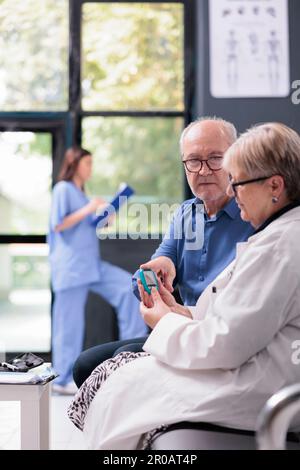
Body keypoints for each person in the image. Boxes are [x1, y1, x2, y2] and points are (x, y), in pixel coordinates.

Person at [68, 122, 300, 449]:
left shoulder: (269, 237)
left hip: (225, 354)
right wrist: (169, 296)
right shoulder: (190, 216)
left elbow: (228, 337)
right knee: (109, 373)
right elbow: (157, 277)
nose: (231, 188)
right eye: (193, 161)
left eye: (220, 164)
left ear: (274, 185)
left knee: (122, 377)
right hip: (199, 331)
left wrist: (169, 320)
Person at [73, 117, 253, 387]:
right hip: (180, 327)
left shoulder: (252, 215)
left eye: (215, 158)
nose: (203, 171)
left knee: (121, 361)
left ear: (234, 158)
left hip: (217, 334)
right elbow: (141, 280)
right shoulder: (185, 214)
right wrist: (159, 269)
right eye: (193, 161)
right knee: (85, 365)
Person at [48, 147, 148, 394]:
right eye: (87, 163)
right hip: (71, 267)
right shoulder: (63, 189)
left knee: (129, 289)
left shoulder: (82, 194)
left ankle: (132, 356)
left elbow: (90, 225)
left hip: (90, 265)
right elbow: (58, 224)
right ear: (74, 163)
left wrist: (107, 215)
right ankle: (61, 380)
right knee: (68, 324)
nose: (90, 168)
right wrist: (89, 207)